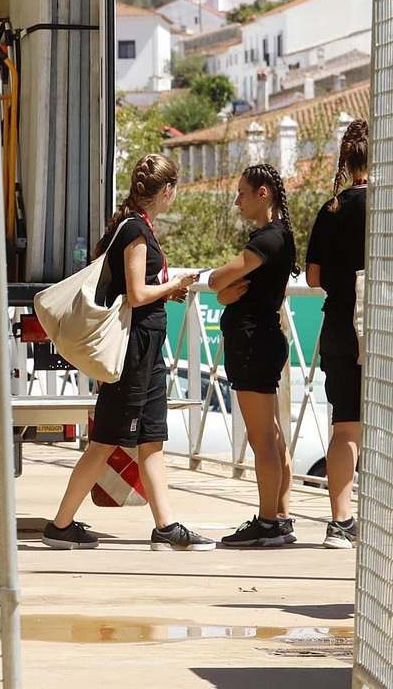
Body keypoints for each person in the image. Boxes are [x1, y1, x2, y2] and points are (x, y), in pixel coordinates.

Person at [41, 154, 210, 551]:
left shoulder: (134, 226)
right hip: (133, 350)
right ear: (166, 190)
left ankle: (165, 526)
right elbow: (135, 294)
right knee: (105, 438)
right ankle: (60, 525)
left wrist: (167, 289)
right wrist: (173, 285)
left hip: (147, 348)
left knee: (151, 439)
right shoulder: (135, 230)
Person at [208, 162, 298, 548]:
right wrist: (225, 294)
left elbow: (216, 278)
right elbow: (228, 288)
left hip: (253, 343)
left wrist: (221, 289)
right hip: (260, 340)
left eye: (243, 192)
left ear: (264, 193)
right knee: (273, 436)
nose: (237, 200)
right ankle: (279, 515)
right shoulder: (273, 236)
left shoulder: (268, 240)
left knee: (262, 438)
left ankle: (267, 523)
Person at [305, 118, 369, 548]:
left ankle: (340, 522)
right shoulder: (382, 208)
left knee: (344, 426)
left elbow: (312, 279)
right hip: (376, 327)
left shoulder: (330, 210)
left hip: (337, 325)